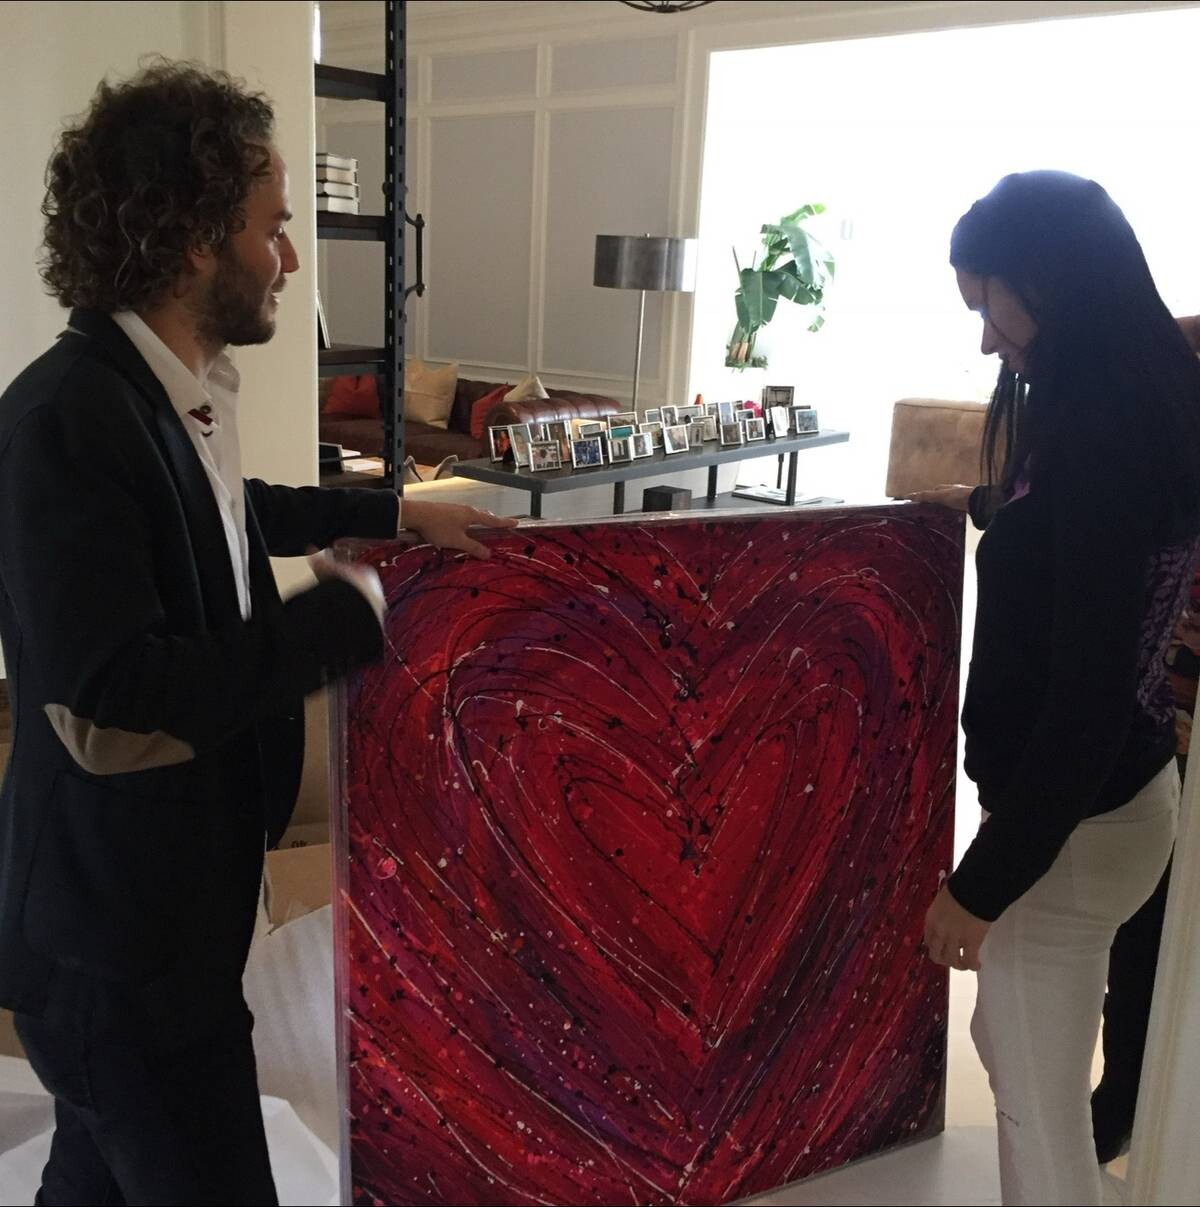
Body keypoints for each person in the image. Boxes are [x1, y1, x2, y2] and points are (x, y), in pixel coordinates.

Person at [0, 60, 515, 1204]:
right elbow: (115, 699)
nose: (288, 259)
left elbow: (232, 515)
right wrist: (342, 617)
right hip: (119, 965)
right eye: (273, 228)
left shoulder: (164, 389)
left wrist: (392, 514)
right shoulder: (64, 424)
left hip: (160, 934)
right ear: (192, 239)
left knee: (87, 1182)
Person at [921, 171, 1200, 1206]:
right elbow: (1091, 551)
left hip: (1077, 825)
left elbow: (1084, 701)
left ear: (1048, 280)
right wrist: (988, 504)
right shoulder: (1135, 394)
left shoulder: (1101, 439)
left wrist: (980, 885)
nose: (986, 342)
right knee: (1015, 1042)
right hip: (1125, 802)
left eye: (988, 306)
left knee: (1038, 1123)